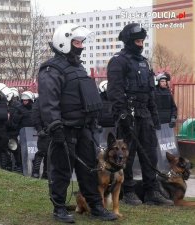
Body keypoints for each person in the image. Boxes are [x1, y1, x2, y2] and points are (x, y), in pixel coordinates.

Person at [38, 23, 117, 223]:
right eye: (76, 42)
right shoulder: (52, 69)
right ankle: (59, 208)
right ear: (63, 43)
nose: (80, 46)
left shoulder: (78, 68)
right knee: (61, 171)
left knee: (89, 170)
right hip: (64, 130)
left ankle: (96, 206)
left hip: (84, 129)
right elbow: (49, 101)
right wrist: (55, 126)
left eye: (81, 42)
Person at [106, 23, 173, 206]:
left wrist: (154, 115)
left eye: (142, 40)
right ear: (128, 40)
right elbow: (115, 91)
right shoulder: (118, 61)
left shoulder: (144, 62)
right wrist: (122, 114)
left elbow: (150, 91)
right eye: (137, 40)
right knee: (126, 155)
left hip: (145, 114)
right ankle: (127, 191)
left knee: (150, 153)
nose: (141, 43)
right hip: (128, 114)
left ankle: (151, 191)